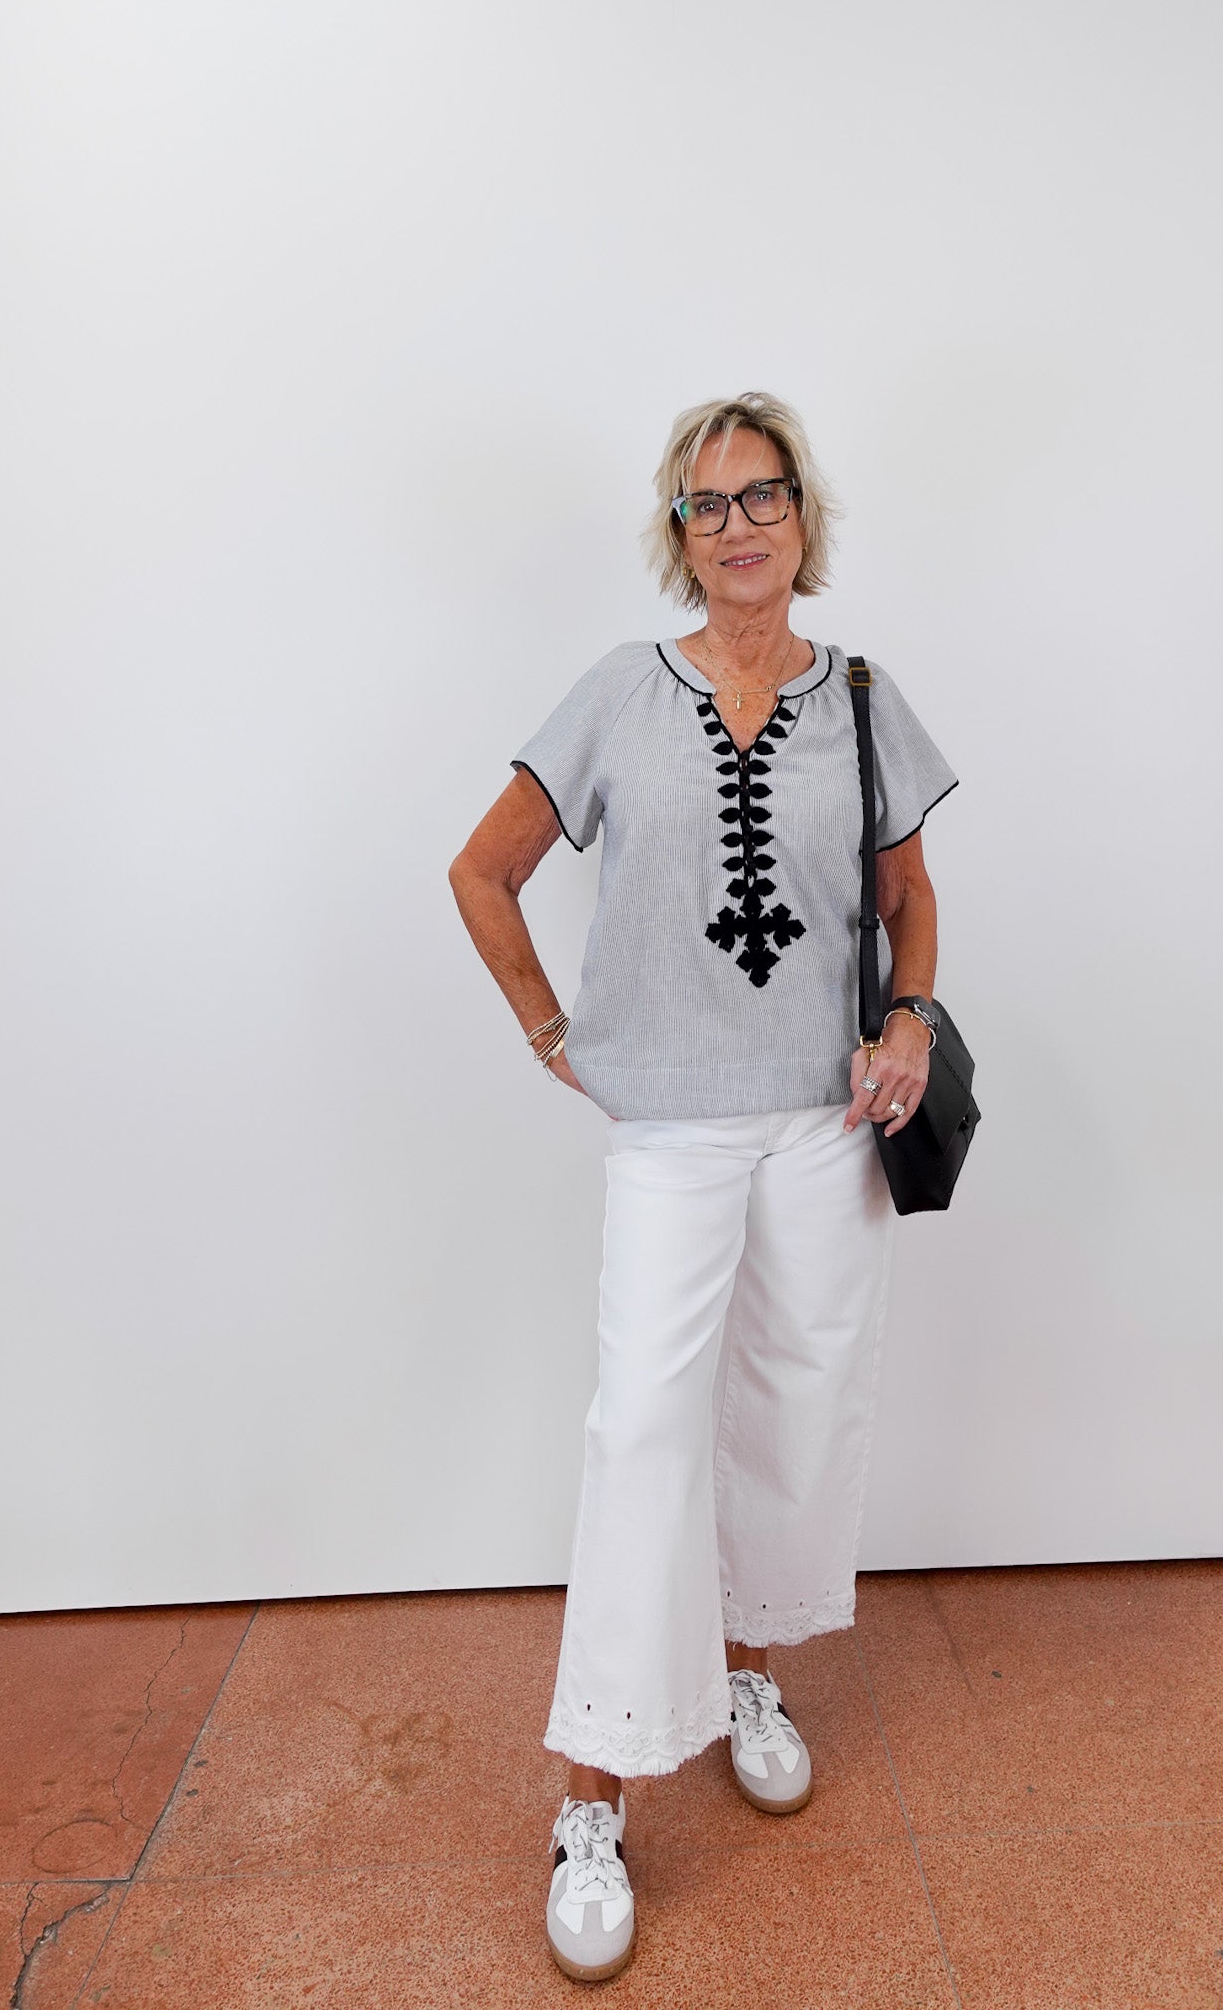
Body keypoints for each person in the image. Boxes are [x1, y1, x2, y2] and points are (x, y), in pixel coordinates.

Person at [448, 390, 958, 1983]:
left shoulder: (865, 695)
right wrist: (551, 1026)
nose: (739, 524)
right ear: (678, 538)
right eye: (706, 504)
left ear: (806, 515)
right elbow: (484, 867)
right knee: (646, 1430)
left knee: (795, 1414)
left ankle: (745, 1676)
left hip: (823, 1123)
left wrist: (905, 1018)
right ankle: (594, 1789)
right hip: (669, 1127)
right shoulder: (619, 694)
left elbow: (909, 897)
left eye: (763, 494)